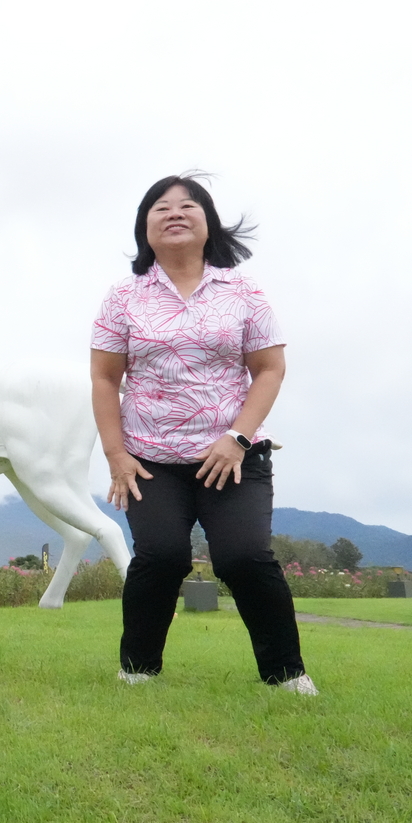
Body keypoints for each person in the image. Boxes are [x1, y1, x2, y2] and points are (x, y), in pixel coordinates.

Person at [91, 174, 316, 694]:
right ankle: (137, 671)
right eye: (161, 207)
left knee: (244, 557)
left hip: (232, 455)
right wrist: (116, 455)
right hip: (150, 459)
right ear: (145, 228)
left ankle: (286, 674)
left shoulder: (243, 291)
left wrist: (237, 437)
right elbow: (104, 379)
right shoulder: (123, 296)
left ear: (208, 223)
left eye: (187, 206)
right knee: (161, 557)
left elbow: (269, 369)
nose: (174, 213)